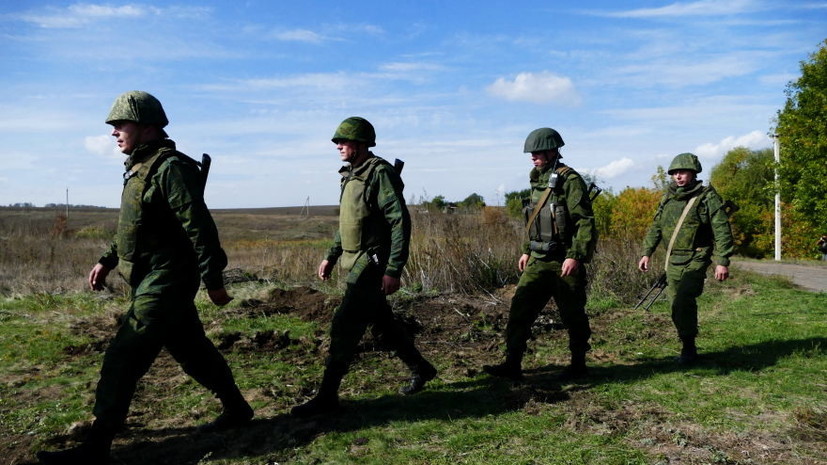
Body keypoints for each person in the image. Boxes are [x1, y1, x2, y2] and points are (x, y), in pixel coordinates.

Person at [37, 91, 252, 465]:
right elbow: (133, 227)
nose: (114, 132)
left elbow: (199, 227)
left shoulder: (171, 168)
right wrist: (107, 259)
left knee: (124, 356)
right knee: (192, 350)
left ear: (147, 126)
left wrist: (213, 280)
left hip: (167, 279)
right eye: (113, 126)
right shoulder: (139, 168)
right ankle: (237, 409)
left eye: (121, 124)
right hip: (151, 277)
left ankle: (96, 447)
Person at [291, 116, 436, 417]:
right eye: (337, 142)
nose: (338, 146)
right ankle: (421, 368)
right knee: (383, 322)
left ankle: (327, 397)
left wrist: (394, 268)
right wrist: (330, 255)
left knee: (343, 325)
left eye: (343, 142)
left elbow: (399, 221)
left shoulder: (378, 173)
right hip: (353, 259)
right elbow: (349, 222)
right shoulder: (350, 175)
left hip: (371, 262)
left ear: (360, 144)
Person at [483, 127, 597, 381]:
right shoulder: (536, 179)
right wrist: (526, 251)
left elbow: (585, 221)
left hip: (563, 260)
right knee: (519, 310)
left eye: (537, 152)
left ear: (552, 151)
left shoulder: (570, 180)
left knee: (573, 315)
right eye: (531, 153)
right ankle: (512, 364)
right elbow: (536, 221)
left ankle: (578, 364)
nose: (533, 157)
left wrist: (576, 255)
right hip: (537, 259)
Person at [638, 152, 734, 365]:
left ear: (693, 173)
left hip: (697, 257)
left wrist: (722, 261)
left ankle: (689, 348)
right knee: (675, 305)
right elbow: (656, 227)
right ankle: (686, 344)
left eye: (683, 172)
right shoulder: (668, 197)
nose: (678, 176)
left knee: (683, 299)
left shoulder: (706, 197)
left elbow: (721, 229)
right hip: (673, 259)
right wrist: (647, 252)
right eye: (675, 173)